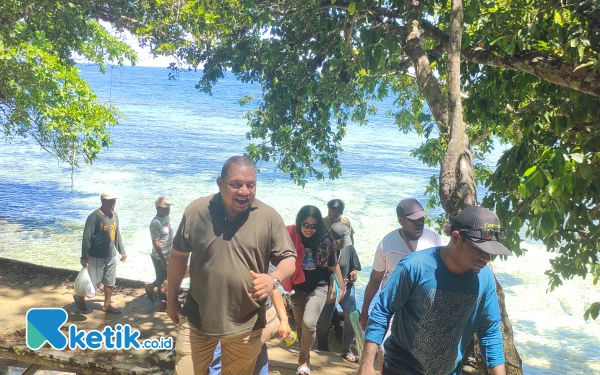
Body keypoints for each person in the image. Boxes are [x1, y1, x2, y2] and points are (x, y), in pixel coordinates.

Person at [167, 156, 296, 375]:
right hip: (197, 321)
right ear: (220, 183)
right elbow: (178, 257)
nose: (244, 191)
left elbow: (289, 259)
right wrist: (171, 301)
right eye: (236, 184)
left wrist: (273, 279)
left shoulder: (268, 217)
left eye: (250, 185)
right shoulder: (197, 211)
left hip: (246, 326)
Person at [357, 205, 511, 375]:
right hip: (402, 368)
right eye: (478, 249)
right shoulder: (415, 266)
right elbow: (382, 311)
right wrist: (366, 366)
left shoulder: (485, 278)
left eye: (490, 252)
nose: (486, 258)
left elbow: (489, 331)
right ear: (456, 237)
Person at [359, 198, 442, 331]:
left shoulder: (435, 240)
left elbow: (443, 274)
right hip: (393, 305)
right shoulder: (387, 244)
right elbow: (375, 279)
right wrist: (364, 310)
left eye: (421, 218)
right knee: (388, 346)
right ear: (400, 220)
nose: (419, 223)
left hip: (423, 308)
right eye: (413, 220)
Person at [283, 205, 345, 375]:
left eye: (313, 226)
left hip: (319, 286)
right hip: (297, 288)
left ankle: (302, 360)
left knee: (309, 324)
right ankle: (305, 359)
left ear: (319, 226)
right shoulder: (290, 236)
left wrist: (342, 287)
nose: (309, 229)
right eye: (305, 225)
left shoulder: (325, 239)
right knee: (301, 327)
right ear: (299, 223)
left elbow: (333, 265)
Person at [209, 286, 291, 375]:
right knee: (216, 358)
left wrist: (284, 320)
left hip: (255, 319)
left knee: (257, 356)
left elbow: (273, 286)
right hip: (223, 317)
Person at [316, 222, 362, 362]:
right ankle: (322, 348)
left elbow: (354, 267)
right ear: (331, 238)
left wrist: (353, 275)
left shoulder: (348, 247)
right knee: (323, 323)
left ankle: (346, 349)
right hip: (327, 290)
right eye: (339, 242)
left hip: (347, 289)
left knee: (352, 319)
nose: (343, 244)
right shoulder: (321, 248)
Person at [74, 192, 127, 314]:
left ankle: (107, 305)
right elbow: (86, 238)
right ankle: (80, 297)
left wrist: (122, 251)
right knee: (91, 281)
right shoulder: (94, 217)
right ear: (102, 201)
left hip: (111, 254)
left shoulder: (115, 216)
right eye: (110, 202)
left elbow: (116, 235)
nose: (112, 204)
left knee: (110, 281)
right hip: (96, 255)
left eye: (114, 201)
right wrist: (84, 256)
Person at [145, 196, 174, 312]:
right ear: (157, 208)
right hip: (159, 256)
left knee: (168, 277)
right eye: (164, 207)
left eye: (168, 207)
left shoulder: (167, 218)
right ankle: (163, 304)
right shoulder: (155, 223)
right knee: (163, 280)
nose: (167, 209)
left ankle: (150, 287)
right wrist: (162, 259)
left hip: (170, 254)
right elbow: (155, 242)